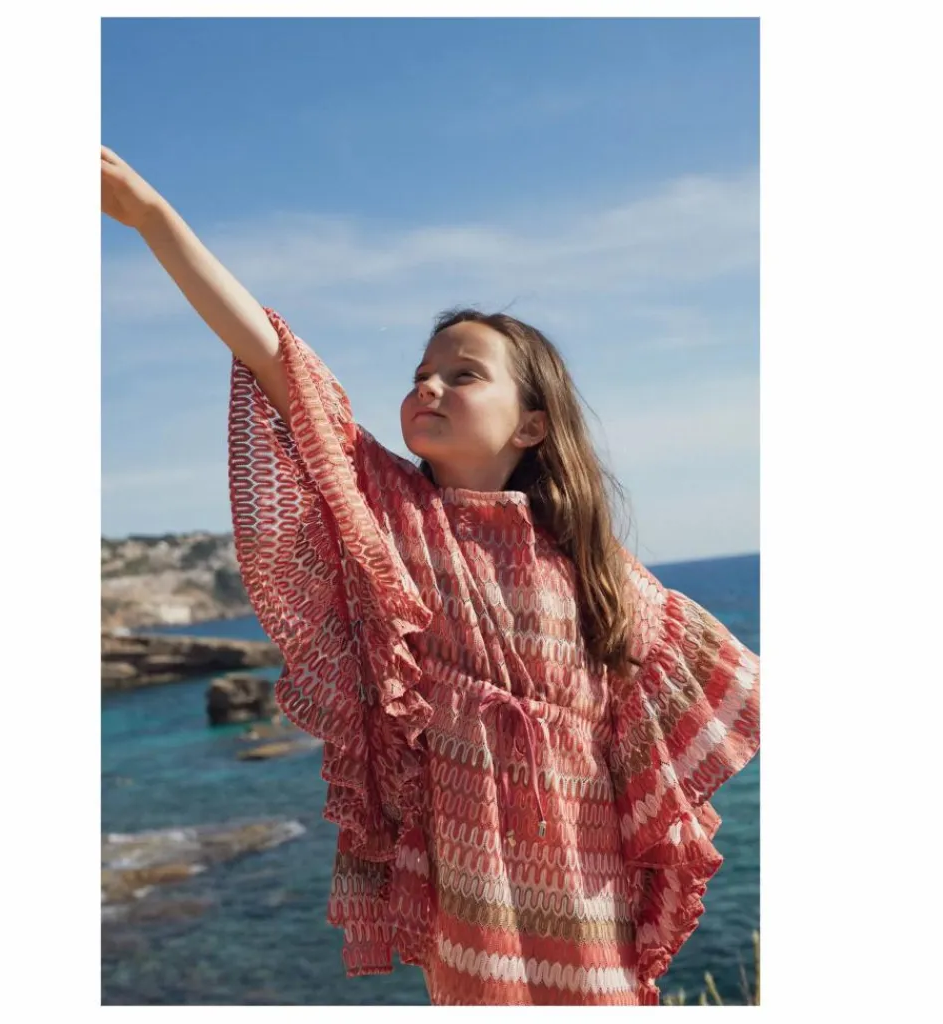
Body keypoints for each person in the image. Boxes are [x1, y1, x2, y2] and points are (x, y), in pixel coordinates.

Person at [101, 146, 760, 1006]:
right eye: (420, 376)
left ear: (532, 425)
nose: (430, 386)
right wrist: (153, 217)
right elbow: (276, 361)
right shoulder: (391, 510)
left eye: (463, 374)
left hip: (588, 878)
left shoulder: (594, 562)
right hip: (467, 881)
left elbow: (730, 689)